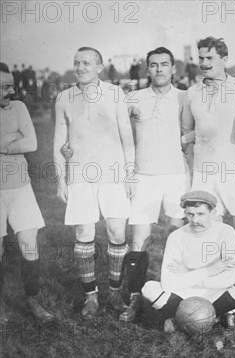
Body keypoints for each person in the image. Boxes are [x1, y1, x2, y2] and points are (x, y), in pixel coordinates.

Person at [54, 47, 135, 319]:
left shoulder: (114, 94)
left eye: (86, 63)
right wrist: (61, 180)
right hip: (79, 176)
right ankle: (91, 296)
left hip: (113, 175)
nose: (80, 67)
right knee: (83, 236)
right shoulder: (64, 97)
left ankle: (114, 290)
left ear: (100, 67)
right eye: (76, 62)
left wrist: (130, 174)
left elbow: (127, 138)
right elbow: (57, 143)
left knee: (116, 235)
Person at [181, 37, 235, 308]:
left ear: (224, 59)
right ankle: (215, 285)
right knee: (209, 230)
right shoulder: (191, 93)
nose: (203, 63)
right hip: (203, 171)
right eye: (200, 58)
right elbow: (187, 133)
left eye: (209, 58)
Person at [119, 47, 188, 322]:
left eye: (164, 64)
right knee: (139, 239)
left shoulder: (184, 97)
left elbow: (194, 130)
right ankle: (135, 298)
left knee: (178, 237)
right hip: (144, 176)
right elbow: (121, 136)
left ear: (173, 69)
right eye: (154, 65)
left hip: (176, 176)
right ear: (147, 70)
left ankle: (175, 296)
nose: (159, 69)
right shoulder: (132, 99)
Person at [141, 190, 235, 332]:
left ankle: (184, 319)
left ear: (213, 212)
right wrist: (209, 271)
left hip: (216, 292)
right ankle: (215, 317)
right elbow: (168, 283)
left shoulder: (226, 232)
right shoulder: (176, 237)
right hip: (184, 293)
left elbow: (230, 278)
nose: (195, 220)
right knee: (149, 288)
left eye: (201, 214)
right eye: (190, 214)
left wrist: (188, 273)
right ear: (185, 213)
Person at [0, 62, 54, 322]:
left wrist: (3, 145)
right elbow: (22, 141)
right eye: (2, 87)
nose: (8, 91)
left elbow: (31, 142)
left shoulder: (19, 107)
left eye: (10, 85)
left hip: (21, 188)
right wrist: (13, 140)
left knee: (29, 245)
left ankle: (32, 300)